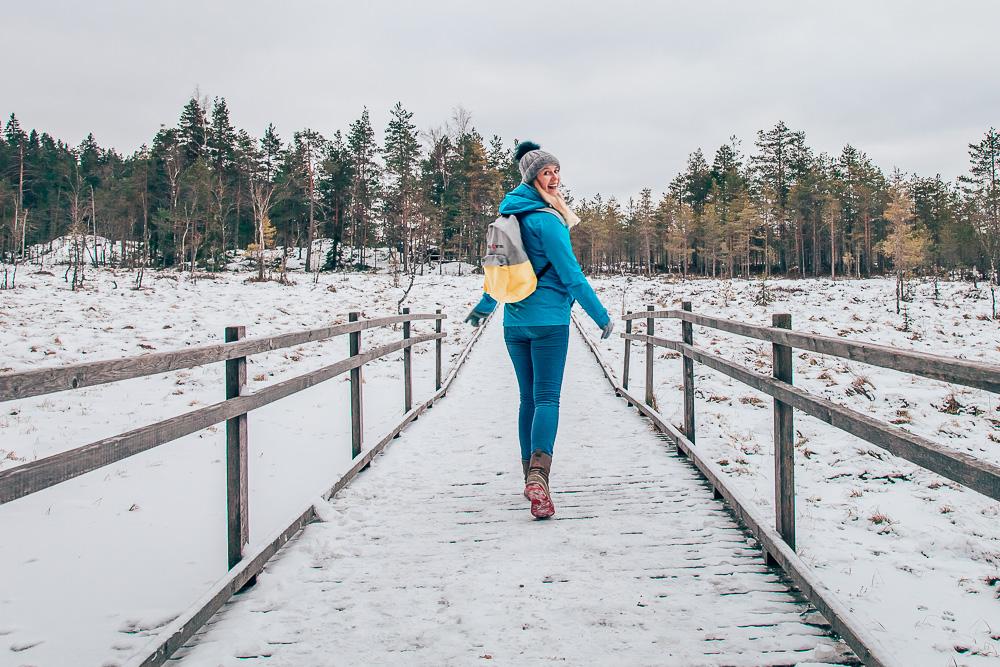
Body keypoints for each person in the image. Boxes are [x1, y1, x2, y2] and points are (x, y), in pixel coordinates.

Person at [465, 141, 614, 519]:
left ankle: (531, 480)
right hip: (549, 322)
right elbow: (571, 275)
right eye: (546, 172)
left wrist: (483, 310)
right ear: (532, 178)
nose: (555, 178)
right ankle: (538, 478)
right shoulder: (547, 220)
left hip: (514, 322)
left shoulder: (508, 218)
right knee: (546, 398)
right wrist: (600, 316)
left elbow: (497, 275)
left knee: (527, 400)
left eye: (556, 171)